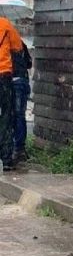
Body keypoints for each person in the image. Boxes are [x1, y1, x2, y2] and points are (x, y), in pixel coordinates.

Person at [0, 16, 23, 170]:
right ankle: (6, 158)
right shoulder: (5, 24)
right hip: (3, 75)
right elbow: (18, 47)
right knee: (6, 115)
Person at [11, 41, 30, 163]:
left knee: (8, 115)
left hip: (7, 79)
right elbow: (29, 63)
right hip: (21, 80)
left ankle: (11, 149)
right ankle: (19, 150)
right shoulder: (19, 42)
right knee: (19, 116)